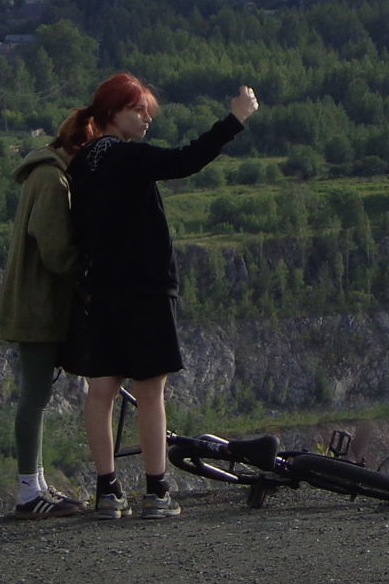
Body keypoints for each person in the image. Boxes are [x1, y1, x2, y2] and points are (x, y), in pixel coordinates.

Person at [61, 72, 259, 520]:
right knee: (150, 391)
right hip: (145, 287)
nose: (147, 118)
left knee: (102, 390)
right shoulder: (127, 157)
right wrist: (235, 119)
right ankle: (157, 489)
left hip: (101, 290)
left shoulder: (82, 162)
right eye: (138, 110)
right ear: (113, 113)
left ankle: (107, 491)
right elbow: (185, 160)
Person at [0, 130, 85, 517]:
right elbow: (56, 252)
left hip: (32, 302)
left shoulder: (42, 172)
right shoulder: (52, 179)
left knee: (37, 397)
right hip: (38, 305)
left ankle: (37, 485)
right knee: (34, 397)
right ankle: (28, 492)